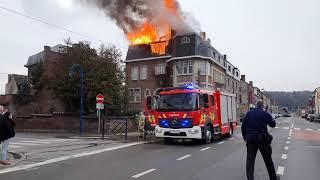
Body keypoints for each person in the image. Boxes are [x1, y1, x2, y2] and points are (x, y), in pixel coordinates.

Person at [241, 100, 280, 180]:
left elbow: (243, 127)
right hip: (262, 139)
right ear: (262, 106)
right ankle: (273, 178)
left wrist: (245, 138)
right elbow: (272, 124)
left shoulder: (248, 114)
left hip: (251, 139)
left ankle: (250, 178)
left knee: (250, 161)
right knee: (268, 159)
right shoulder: (265, 114)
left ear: (255, 105)